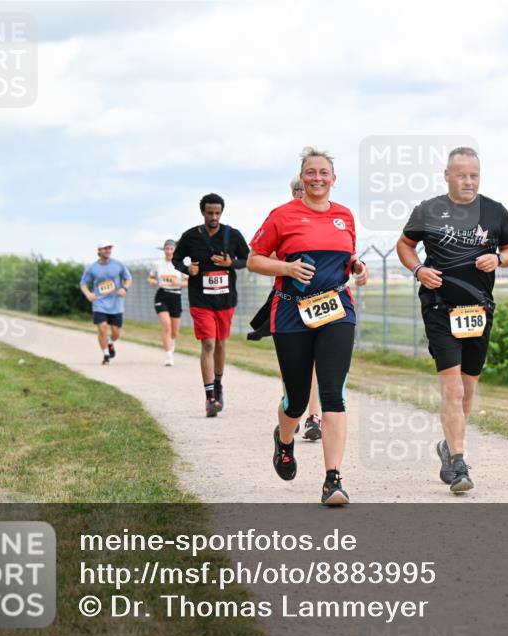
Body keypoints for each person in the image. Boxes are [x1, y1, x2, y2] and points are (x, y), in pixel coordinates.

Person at [247, 146, 368, 505]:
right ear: (302, 178)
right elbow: (254, 260)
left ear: (334, 178)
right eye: (311, 172)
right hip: (290, 312)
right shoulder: (282, 216)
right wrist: (286, 268)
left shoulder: (344, 215)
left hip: (336, 310)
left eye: (323, 172)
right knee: (297, 401)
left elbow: (346, 257)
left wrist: (357, 267)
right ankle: (284, 441)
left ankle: (333, 479)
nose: (317, 178)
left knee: (333, 395)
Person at [395, 146, 508, 494]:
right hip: (439, 307)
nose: (468, 181)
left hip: (478, 310)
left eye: (474, 175)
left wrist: (498, 260)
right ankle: (460, 462)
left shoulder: (495, 211)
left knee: (468, 388)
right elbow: (404, 245)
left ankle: (449, 446)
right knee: (452, 387)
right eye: (461, 175)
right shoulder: (428, 210)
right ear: (447, 176)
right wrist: (418, 269)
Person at [172, 194, 250, 417]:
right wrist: (187, 269)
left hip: (225, 300)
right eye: (210, 213)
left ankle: (218, 384)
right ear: (202, 212)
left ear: (221, 212)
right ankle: (210, 398)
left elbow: (249, 259)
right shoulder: (191, 236)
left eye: (217, 213)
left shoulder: (232, 235)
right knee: (208, 344)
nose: (214, 217)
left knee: (221, 343)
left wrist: (231, 263)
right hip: (200, 300)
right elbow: (176, 259)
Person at [291, 177, 322, 441]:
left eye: (305, 189)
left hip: (321, 300)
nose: (302, 193)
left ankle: (314, 416)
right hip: (290, 301)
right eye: (298, 190)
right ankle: (291, 411)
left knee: (316, 364)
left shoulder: (327, 218)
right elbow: (264, 256)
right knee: (293, 364)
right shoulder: (283, 218)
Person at [79, 241, 132, 365]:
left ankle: (110, 341)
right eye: (105, 248)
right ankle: (106, 355)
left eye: (109, 248)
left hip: (116, 304)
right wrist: (88, 294)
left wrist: (124, 288)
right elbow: (83, 283)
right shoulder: (92, 267)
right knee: (102, 329)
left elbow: (128, 279)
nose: (108, 250)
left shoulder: (118, 265)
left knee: (116, 332)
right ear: (99, 251)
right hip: (100, 303)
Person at [147, 239, 187, 366]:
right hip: (162, 295)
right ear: (164, 250)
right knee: (166, 325)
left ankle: (172, 341)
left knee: (174, 331)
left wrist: (179, 283)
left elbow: (189, 282)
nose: (169, 251)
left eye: (171, 249)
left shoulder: (180, 265)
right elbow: (150, 278)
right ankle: (168, 356)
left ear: (175, 250)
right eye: (167, 249)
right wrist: (152, 281)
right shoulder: (157, 264)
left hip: (176, 296)